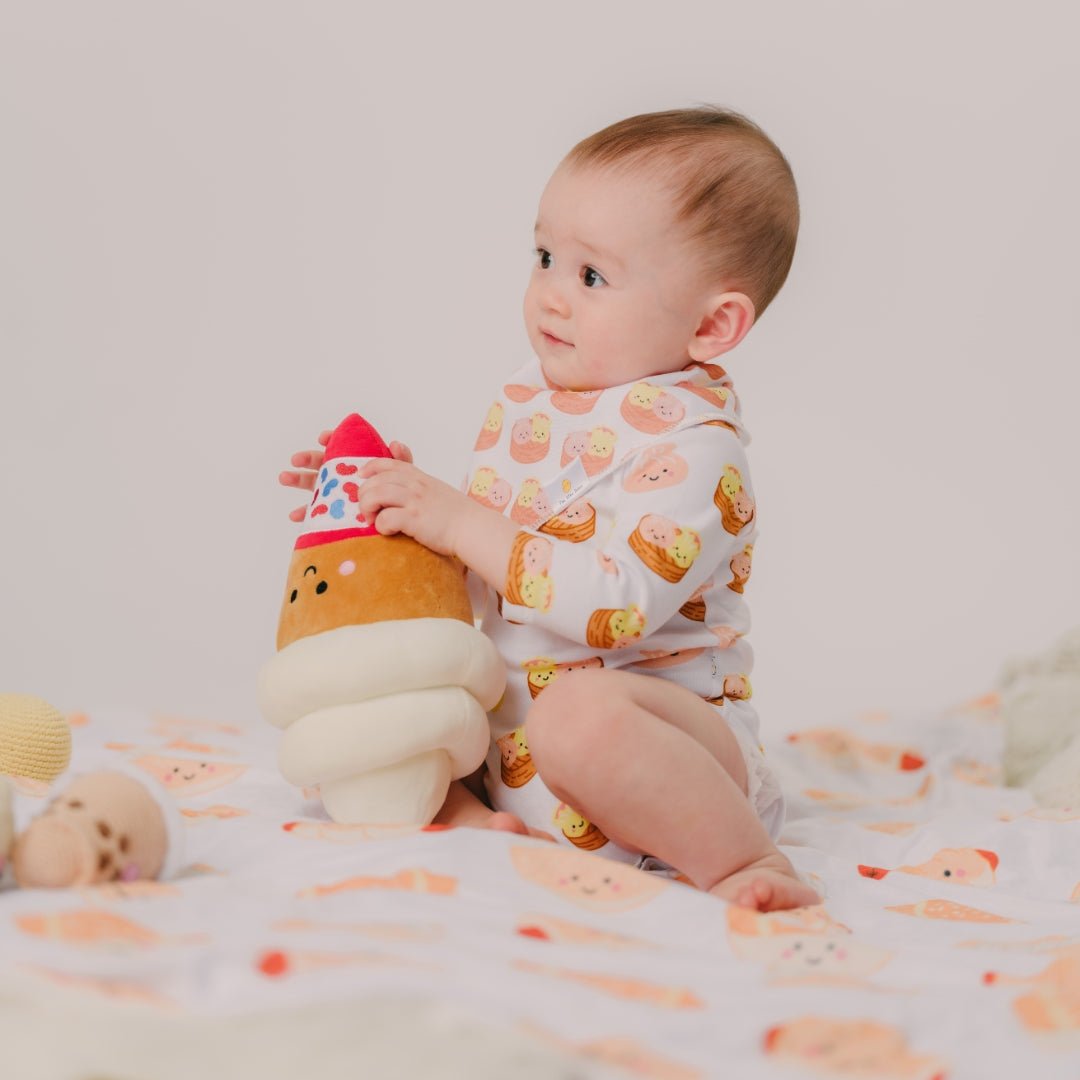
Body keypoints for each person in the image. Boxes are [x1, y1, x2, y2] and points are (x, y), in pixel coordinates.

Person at [280, 107, 818, 911]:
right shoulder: (540, 404)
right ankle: (480, 824)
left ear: (712, 325)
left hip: (666, 754)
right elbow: (494, 583)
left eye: (591, 276)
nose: (550, 298)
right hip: (521, 763)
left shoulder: (698, 449)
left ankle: (746, 861)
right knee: (377, 718)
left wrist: (460, 519)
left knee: (581, 717)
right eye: (544, 257)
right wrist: (397, 508)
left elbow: (614, 607)